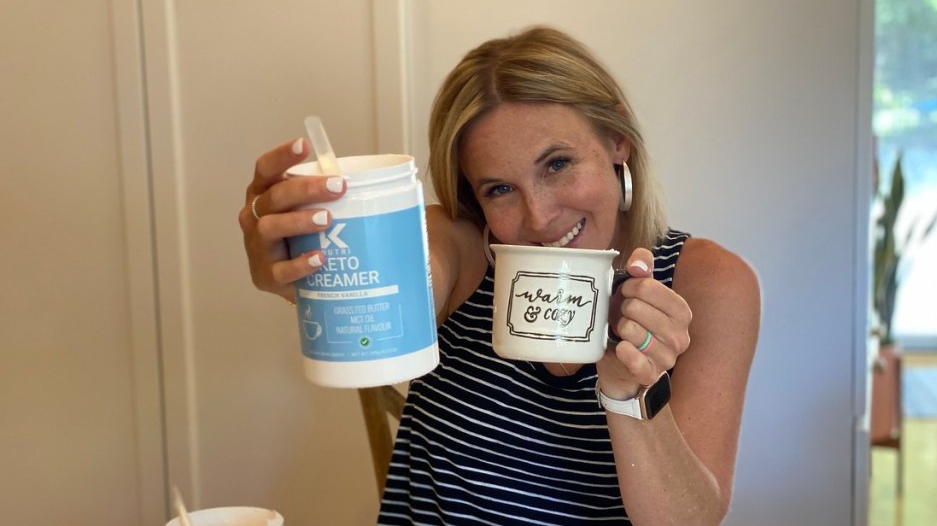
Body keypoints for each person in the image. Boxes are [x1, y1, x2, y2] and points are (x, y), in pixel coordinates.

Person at [240, 26, 760, 525]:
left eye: (557, 164)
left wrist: (628, 391)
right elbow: (404, 278)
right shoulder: (467, 248)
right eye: (499, 190)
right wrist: (308, 270)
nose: (538, 218)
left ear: (617, 140)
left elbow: (688, 519)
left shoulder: (707, 283)